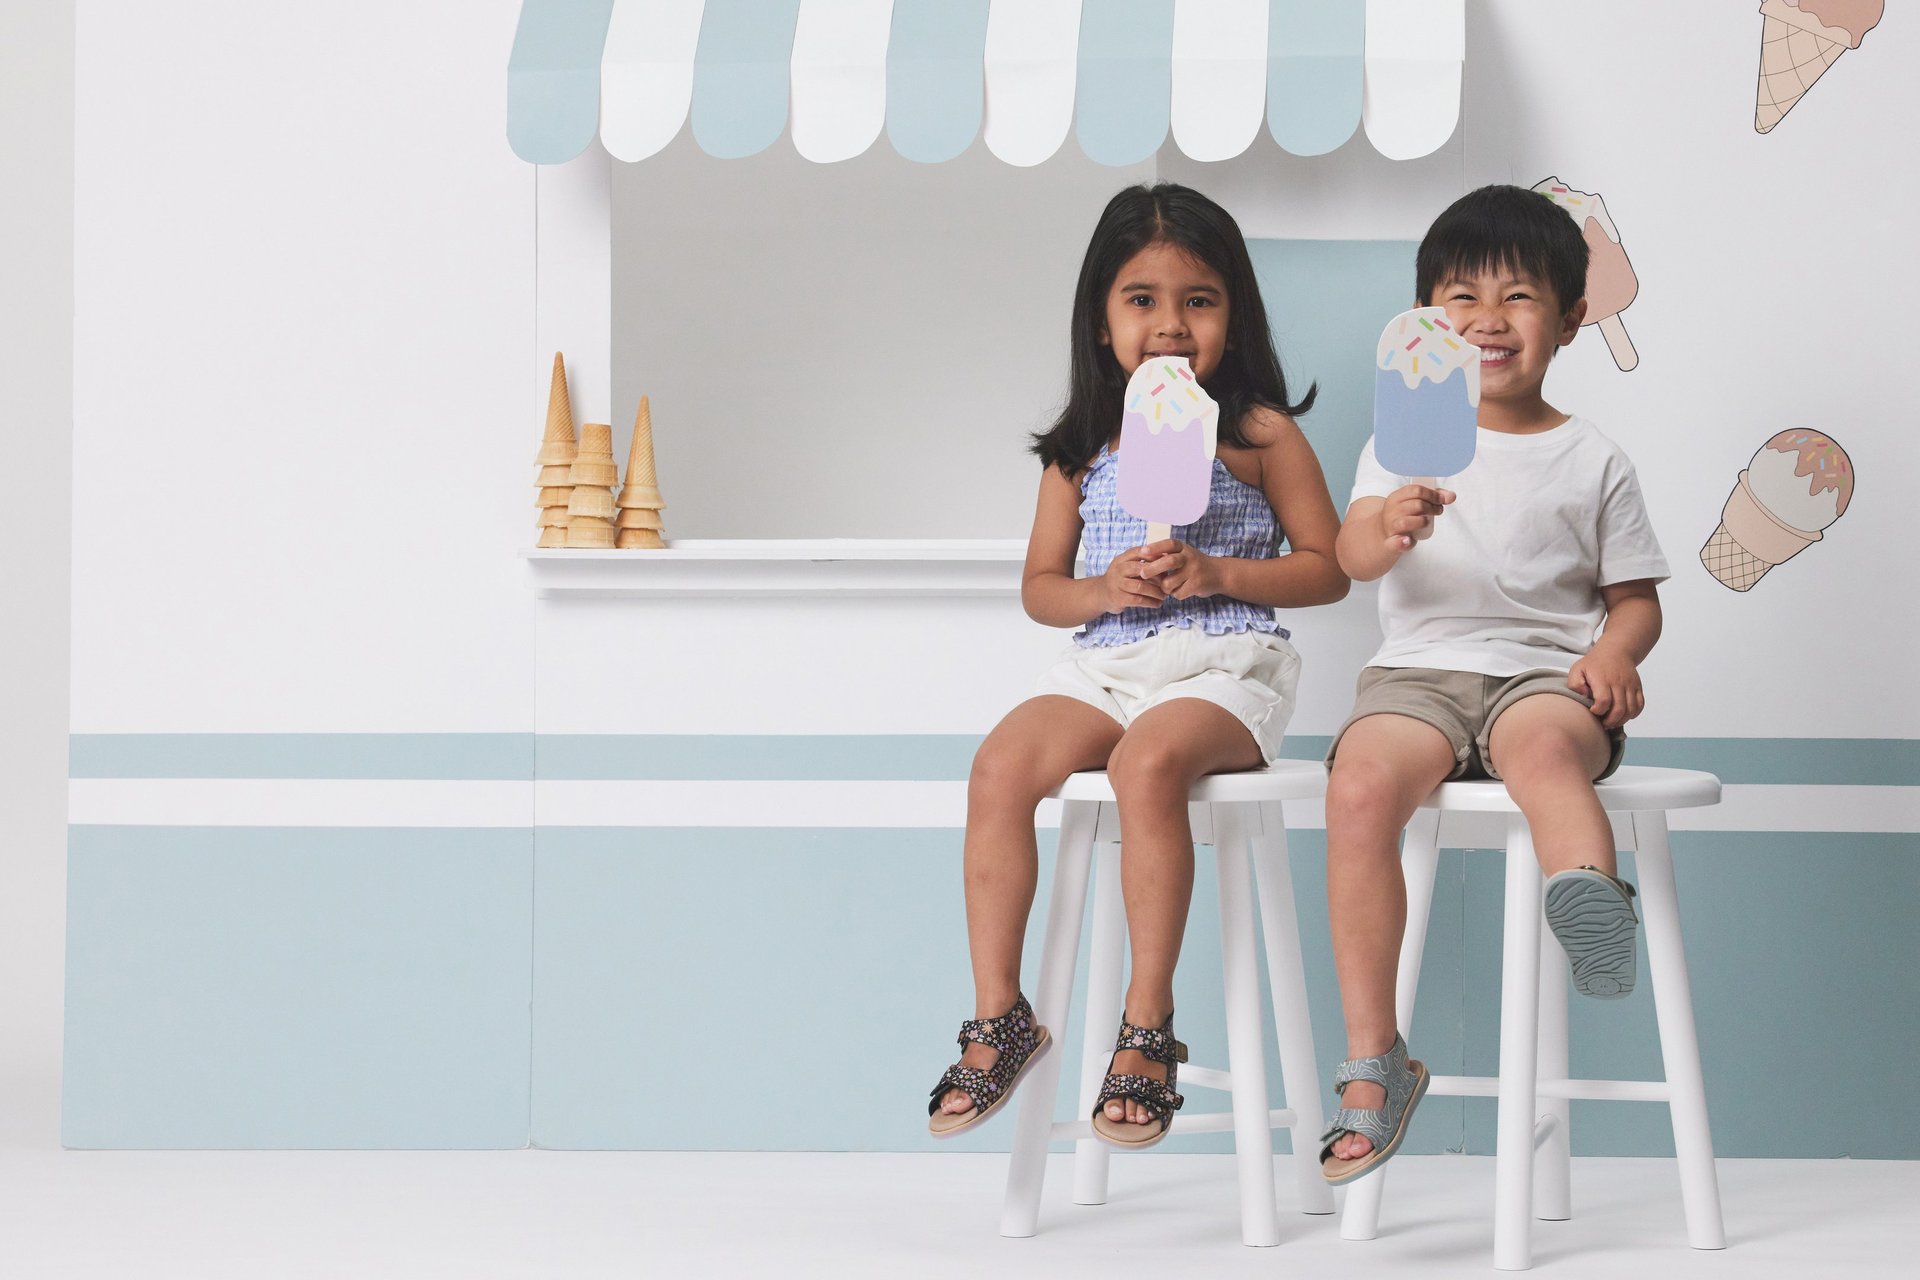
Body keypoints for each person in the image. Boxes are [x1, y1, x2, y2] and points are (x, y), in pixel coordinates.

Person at [925, 182, 1347, 1147]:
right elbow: (1042, 588)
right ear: (1102, 318)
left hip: (1226, 667)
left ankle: (1146, 1024)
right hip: (1110, 664)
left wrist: (1216, 570)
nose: (1169, 325)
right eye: (1142, 300)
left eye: (1198, 300)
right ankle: (1001, 1015)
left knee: (1145, 764)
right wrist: (1106, 589)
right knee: (1000, 765)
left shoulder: (1261, 435)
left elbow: (1327, 572)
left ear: (1234, 316)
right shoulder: (1082, 451)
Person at [1317, 185, 1671, 1184]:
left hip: (1541, 675)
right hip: (1418, 674)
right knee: (1357, 788)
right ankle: (1373, 1059)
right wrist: (1386, 523)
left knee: (1546, 751)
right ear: (1427, 318)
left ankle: (1587, 896)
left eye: (1518, 296)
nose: (1487, 318)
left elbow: (1636, 601)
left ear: (1569, 318)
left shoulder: (1592, 456)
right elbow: (1350, 556)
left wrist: (1613, 654)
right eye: (1461, 296)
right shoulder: (1397, 445)